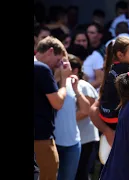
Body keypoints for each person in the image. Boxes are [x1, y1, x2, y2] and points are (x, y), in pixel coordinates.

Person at [34, 36, 71, 180]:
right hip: (41, 138)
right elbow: (58, 103)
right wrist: (64, 80)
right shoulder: (41, 69)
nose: (57, 66)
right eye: (58, 61)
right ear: (50, 51)